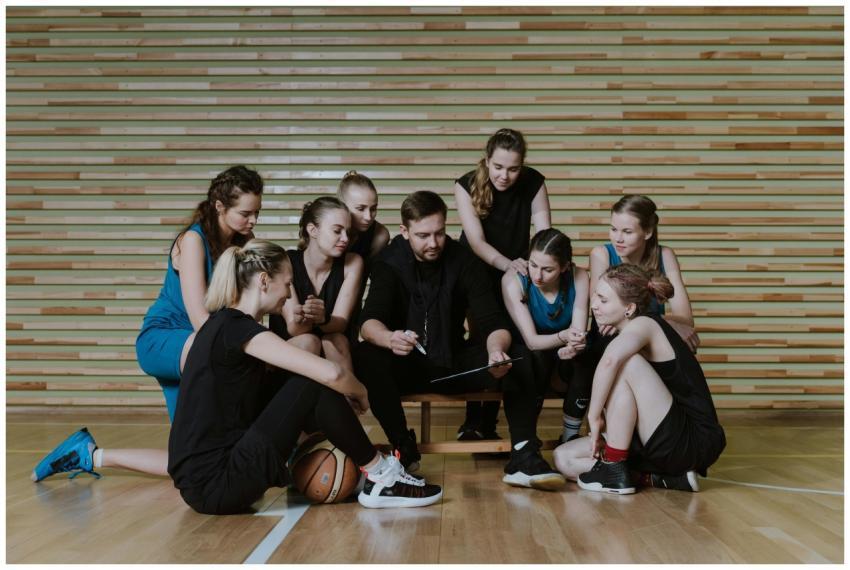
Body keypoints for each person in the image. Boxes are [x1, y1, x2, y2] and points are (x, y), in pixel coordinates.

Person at [34, 240, 443, 512]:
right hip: (220, 483)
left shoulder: (220, 327)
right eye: (286, 285)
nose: (289, 295)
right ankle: (381, 473)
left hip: (204, 480)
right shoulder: (239, 330)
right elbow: (332, 372)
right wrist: (361, 392)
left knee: (300, 385)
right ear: (264, 281)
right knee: (310, 381)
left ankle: (370, 469)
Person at [354, 191, 565, 491]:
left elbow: (494, 322)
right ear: (404, 232)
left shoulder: (463, 259)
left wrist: (495, 351)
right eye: (423, 235)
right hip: (406, 364)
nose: (433, 243)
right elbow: (369, 321)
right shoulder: (388, 262)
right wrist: (390, 338)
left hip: (454, 364)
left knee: (518, 354)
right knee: (367, 355)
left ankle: (523, 455)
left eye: (439, 233)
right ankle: (404, 449)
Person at [553, 264, 725, 494]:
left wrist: (593, 418)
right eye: (595, 295)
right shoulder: (625, 332)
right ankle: (655, 478)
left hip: (691, 440)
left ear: (629, 308)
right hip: (653, 436)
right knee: (564, 458)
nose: (594, 304)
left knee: (627, 363)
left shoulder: (646, 324)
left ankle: (614, 467)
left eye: (603, 300)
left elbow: (609, 363)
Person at [135, 165, 263, 421]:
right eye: (245, 213)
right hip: (168, 337)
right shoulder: (192, 241)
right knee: (232, 354)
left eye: (257, 212)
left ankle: (91, 453)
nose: (253, 221)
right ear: (220, 207)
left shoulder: (244, 241)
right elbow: (200, 321)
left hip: (203, 342)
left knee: (189, 452)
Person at [454, 128, 552, 441]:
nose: (505, 176)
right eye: (498, 167)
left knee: (515, 340)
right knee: (485, 336)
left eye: (513, 169)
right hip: (474, 268)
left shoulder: (534, 182)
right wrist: (508, 264)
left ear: (522, 166)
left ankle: (495, 423)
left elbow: (544, 235)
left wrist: (542, 267)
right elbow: (477, 243)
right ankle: (474, 422)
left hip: (516, 268)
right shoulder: (466, 184)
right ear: (487, 160)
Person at [501, 229, 592, 444]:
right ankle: (528, 442)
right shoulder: (513, 280)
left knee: (586, 358)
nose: (537, 275)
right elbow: (532, 341)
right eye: (533, 265)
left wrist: (574, 345)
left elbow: (577, 332)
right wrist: (564, 337)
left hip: (564, 356)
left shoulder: (578, 277)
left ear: (564, 267)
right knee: (536, 359)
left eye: (548, 269)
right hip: (532, 353)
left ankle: (569, 438)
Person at [588, 194, 699, 353]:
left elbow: (686, 319)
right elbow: (601, 315)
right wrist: (668, 322)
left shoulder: (665, 255)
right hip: (608, 339)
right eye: (613, 229)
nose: (618, 238)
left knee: (684, 342)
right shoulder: (601, 254)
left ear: (647, 232)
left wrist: (636, 320)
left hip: (650, 338)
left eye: (627, 231)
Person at [268, 197, 363, 372]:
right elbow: (295, 329)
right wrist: (302, 316)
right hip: (295, 347)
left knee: (335, 340)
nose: (345, 239)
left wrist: (323, 318)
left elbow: (340, 324)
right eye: (337, 231)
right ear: (313, 230)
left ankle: (351, 399)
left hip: (336, 351)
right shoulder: (285, 261)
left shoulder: (353, 263)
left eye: (347, 232)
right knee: (309, 341)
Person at [337, 170, 391, 261]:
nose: (368, 217)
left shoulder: (380, 236)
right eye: (360, 209)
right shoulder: (324, 229)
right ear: (342, 205)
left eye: (373, 209)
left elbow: (368, 273)